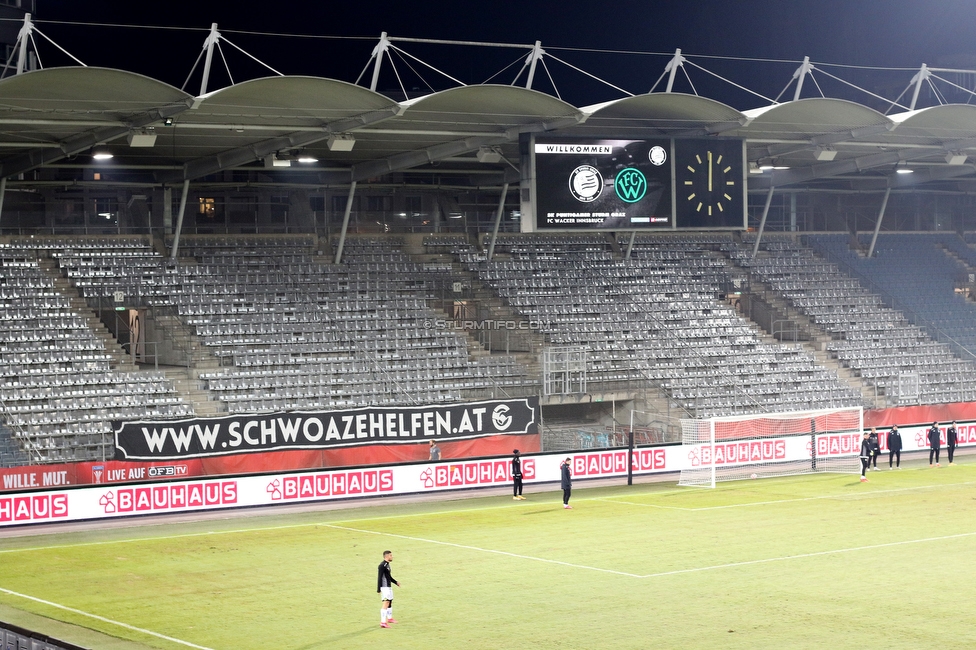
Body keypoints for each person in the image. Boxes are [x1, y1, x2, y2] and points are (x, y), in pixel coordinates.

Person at [377, 550, 400, 628]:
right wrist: (378, 589)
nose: (392, 556)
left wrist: (395, 582)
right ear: (386, 556)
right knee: (386, 603)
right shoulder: (382, 565)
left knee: (390, 602)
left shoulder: (387, 565)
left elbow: (389, 577)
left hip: (388, 586)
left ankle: (389, 618)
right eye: (390, 555)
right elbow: (379, 577)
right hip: (384, 587)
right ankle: (383, 622)